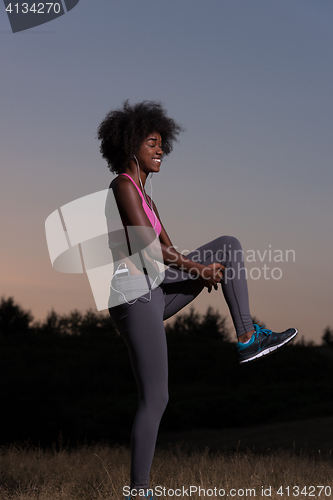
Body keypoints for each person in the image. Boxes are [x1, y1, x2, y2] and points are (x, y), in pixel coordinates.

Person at [97, 101, 297, 500]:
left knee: (227, 246)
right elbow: (152, 252)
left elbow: (171, 251)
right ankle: (139, 493)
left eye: (162, 144)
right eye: (152, 143)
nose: (160, 150)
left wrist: (198, 269)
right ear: (130, 144)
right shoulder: (122, 185)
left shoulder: (148, 198)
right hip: (134, 295)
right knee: (156, 397)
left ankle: (246, 337)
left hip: (157, 289)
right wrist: (198, 271)